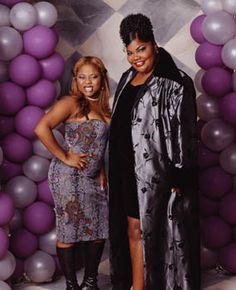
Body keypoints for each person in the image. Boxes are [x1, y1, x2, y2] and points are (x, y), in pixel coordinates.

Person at [108, 13, 199, 290]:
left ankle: (142, 286)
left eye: (141, 49)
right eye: (130, 52)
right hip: (124, 169)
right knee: (131, 229)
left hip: (154, 173)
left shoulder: (175, 82)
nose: (136, 57)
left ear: (153, 44)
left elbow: (185, 132)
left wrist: (180, 175)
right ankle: (137, 284)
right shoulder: (126, 78)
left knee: (148, 230)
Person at [35, 56, 111, 290]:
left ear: (102, 79)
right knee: (69, 229)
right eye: (82, 77)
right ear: (76, 81)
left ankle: (90, 282)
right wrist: (66, 156)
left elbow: (100, 147)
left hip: (92, 177)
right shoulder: (71, 102)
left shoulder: (104, 108)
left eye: (93, 76)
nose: (88, 82)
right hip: (67, 177)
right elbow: (41, 128)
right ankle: (71, 285)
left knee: (99, 229)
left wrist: (101, 170)